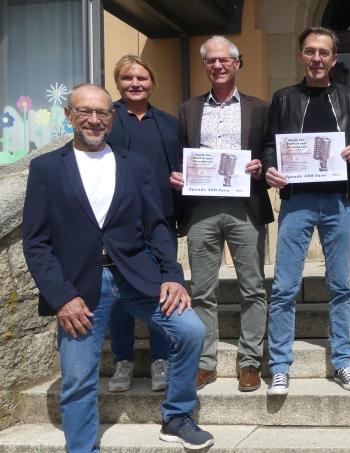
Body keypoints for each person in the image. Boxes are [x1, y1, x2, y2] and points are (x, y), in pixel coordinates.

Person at [22, 83, 213, 451]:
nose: (94, 120)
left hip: (136, 276)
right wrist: (62, 298)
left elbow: (157, 226)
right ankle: (82, 448)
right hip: (79, 288)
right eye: (85, 112)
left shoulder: (135, 165)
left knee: (189, 330)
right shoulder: (45, 168)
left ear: (112, 117)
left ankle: (176, 416)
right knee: (78, 378)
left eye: (102, 113)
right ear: (69, 117)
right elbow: (35, 242)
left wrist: (172, 276)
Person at [263, 27, 350, 395]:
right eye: (310, 52)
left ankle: (343, 361)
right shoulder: (284, 98)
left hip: (339, 201)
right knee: (284, 287)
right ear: (301, 56)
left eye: (324, 53)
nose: (317, 59)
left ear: (334, 59)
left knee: (341, 285)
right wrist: (270, 168)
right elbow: (268, 146)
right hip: (297, 202)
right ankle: (279, 365)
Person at [170, 35, 274, 392]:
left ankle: (249, 362)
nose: (217, 65)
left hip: (246, 206)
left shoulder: (260, 108)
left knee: (253, 288)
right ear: (206, 65)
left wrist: (263, 165)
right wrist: (178, 174)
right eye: (210, 61)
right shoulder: (187, 109)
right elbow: (180, 152)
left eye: (223, 60)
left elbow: (271, 149)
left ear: (236, 63)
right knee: (200, 289)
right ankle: (205, 362)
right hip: (202, 207)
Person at [105, 54, 181, 393]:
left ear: (152, 83)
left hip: (160, 221)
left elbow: (181, 167)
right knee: (119, 296)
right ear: (118, 83)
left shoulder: (167, 123)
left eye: (142, 78)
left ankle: (161, 358)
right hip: (117, 225)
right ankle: (123, 360)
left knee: (163, 291)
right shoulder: (107, 120)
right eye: (127, 78)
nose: (135, 83)